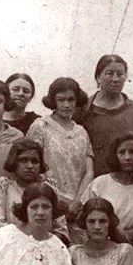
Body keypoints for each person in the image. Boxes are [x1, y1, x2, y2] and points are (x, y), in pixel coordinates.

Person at [27, 77, 94, 210]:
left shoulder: (82, 132)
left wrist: (77, 201)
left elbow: (89, 171)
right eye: (61, 100)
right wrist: (59, 199)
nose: (66, 105)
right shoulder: (41, 126)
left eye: (71, 99)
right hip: (47, 201)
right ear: (53, 101)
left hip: (77, 205)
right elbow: (33, 166)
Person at [79, 55, 133, 177]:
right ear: (98, 77)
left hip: (129, 181)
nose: (115, 79)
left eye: (120, 74)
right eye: (109, 73)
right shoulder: (83, 109)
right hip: (94, 182)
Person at [81, 132, 133, 245]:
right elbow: (86, 218)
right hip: (100, 244)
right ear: (115, 155)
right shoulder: (100, 183)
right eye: (122, 152)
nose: (127, 157)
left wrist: (122, 238)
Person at [0, 138, 62, 237]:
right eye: (23, 160)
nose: (30, 166)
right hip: (12, 244)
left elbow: (61, 229)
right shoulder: (5, 186)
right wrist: (23, 240)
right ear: (14, 162)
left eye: (34, 161)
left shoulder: (49, 187)